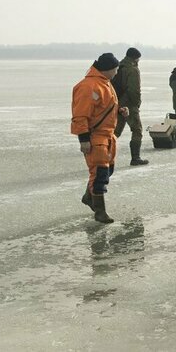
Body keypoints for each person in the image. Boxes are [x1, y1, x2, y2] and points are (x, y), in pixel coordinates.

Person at [71, 53, 129, 224]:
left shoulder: (104, 83)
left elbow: (102, 108)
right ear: (108, 69)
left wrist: (119, 111)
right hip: (95, 137)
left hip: (107, 136)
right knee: (99, 174)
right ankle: (100, 211)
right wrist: (83, 139)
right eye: (116, 70)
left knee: (107, 171)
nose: (117, 73)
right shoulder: (88, 86)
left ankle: (89, 197)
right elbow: (80, 114)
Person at [113, 47, 149, 165]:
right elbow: (134, 90)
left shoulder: (118, 67)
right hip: (129, 104)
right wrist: (136, 104)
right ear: (136, 58)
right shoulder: (132, 70)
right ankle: (135, 158)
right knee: (137, 130)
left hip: (116, 103)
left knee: (116, 131)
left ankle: (102, 153)